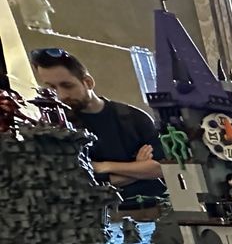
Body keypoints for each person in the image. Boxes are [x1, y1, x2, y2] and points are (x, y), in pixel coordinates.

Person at [31, 47, 165, 205]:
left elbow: (161, 169)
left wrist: (103, 166)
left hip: (156, 206)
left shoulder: (134, 118)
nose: (61, 96)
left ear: (88, 82)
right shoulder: (57, 129)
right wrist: (138, 169)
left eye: (67, 85)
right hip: (101, 214)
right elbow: (78, 182)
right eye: (52, 88)